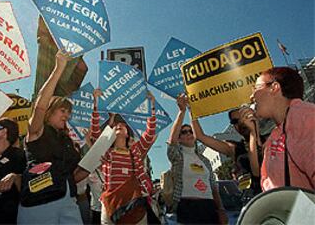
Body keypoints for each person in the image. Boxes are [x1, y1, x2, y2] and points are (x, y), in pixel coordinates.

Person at [17, 50, 82, 224]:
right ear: (50, 111)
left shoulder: (67, 141)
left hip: (69, 201)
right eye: (63, 111)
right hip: (40, 200)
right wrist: (58, 68)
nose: (67, 115)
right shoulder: (38, 131)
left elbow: (76, 174)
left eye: (69, 112)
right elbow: (40, 105)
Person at [91, 89, 157, 224]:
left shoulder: (136, 150)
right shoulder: (106, 151)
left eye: (123, 125)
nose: (119, 125)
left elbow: (150, 132)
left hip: (134, 203)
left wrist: (152, 106)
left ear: (128, 133)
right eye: (116, 125)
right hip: (111, 204)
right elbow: (95, 131)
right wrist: (96, 103)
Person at [250, 66, 315, 191]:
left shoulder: (304, 116)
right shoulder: (277, 133)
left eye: (256, 88)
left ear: (274, 87)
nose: (251, 96)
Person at [167, 95, 227, 224]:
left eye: (190, 131)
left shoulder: (204, 160)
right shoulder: (178, 156)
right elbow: (171, 142)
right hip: (187, 207)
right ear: (179, 138)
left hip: (209, 207)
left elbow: (213, 186)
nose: (188, 133)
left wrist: (220, 209)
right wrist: (182, 111)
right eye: (184, 132)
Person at [192, 105, 263, 199]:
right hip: (249, 201)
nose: (241, 123)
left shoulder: (271, 140)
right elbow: (200, 136)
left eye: (244, 117)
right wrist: (191, 110)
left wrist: (254, 132)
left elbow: (257, 171)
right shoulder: (235, 148)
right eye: (235, 121)